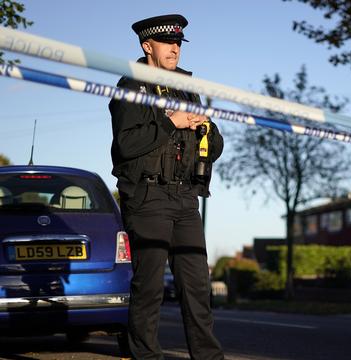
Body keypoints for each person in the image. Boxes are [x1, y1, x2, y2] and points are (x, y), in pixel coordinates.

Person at [109, 14, 224, 360]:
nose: (175, 48)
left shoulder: (187, 88)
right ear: (148, 47)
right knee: (149, 287)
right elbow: (126, 145)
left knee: (197, 287)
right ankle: (145, 355)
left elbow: (213, 148)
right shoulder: (132, 86)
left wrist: (209, 131)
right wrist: (170, 122)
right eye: (167, 43)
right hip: (148, 197)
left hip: (186, 198)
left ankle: (208, 357)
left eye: (178, 43)